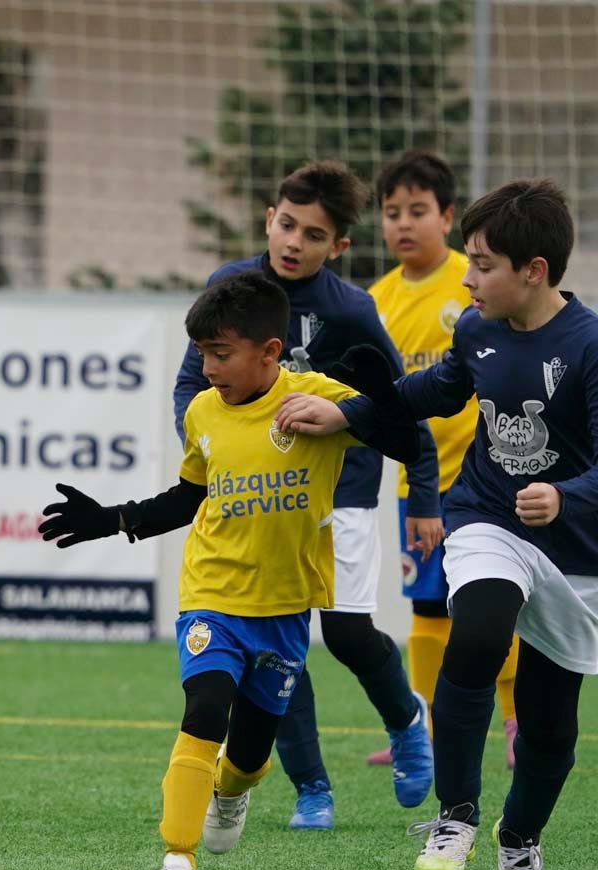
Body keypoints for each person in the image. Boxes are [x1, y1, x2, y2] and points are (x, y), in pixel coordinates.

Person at [42, 271, 422, 870]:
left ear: (270, 351)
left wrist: (369, 402)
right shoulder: (202, 413)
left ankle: (231, 790)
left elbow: (406, 443)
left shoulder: (316, 398)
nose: (208, 368)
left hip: (284, 609)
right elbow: (190, 497)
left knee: (247, 755)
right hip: (212, 594)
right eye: (202, 355)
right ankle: (176, 859)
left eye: (221, 354)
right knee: (204, 709)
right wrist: (115, 518)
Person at [276, 179, 598, 870]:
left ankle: (520, 842)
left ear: (534, 272)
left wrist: (565, 495)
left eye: (482, 264)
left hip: (576, 546)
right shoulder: (477, 329)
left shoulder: (589, 345)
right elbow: (435, 392)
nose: (469, 276)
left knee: (551, 723)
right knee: (476, 635)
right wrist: (348, 413)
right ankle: (454, 816)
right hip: (486, 515)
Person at [173, 160, 439, 832]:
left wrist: (426, 494)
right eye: (287, 224)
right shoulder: (227, 288)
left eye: (313, 234)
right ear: (269, 218)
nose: (295, 241)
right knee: (270, 634)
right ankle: (312, 787)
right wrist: (211, 445)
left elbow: (397, 405)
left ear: (338, 247)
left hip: (339, 491)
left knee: (346, 632)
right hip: (255, 497)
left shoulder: (351, 310)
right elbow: (188, 385)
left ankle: (407, 717)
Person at [364, 149, 519, 770]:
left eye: (418, 211)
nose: (404, 224)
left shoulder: (475, 283)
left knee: (492, 605)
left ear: (447, 216)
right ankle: (418, 725)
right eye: (392, 212)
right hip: (418, 488)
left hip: (485, 481)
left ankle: (515, 721)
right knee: (428, 607)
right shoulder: (374, 302)